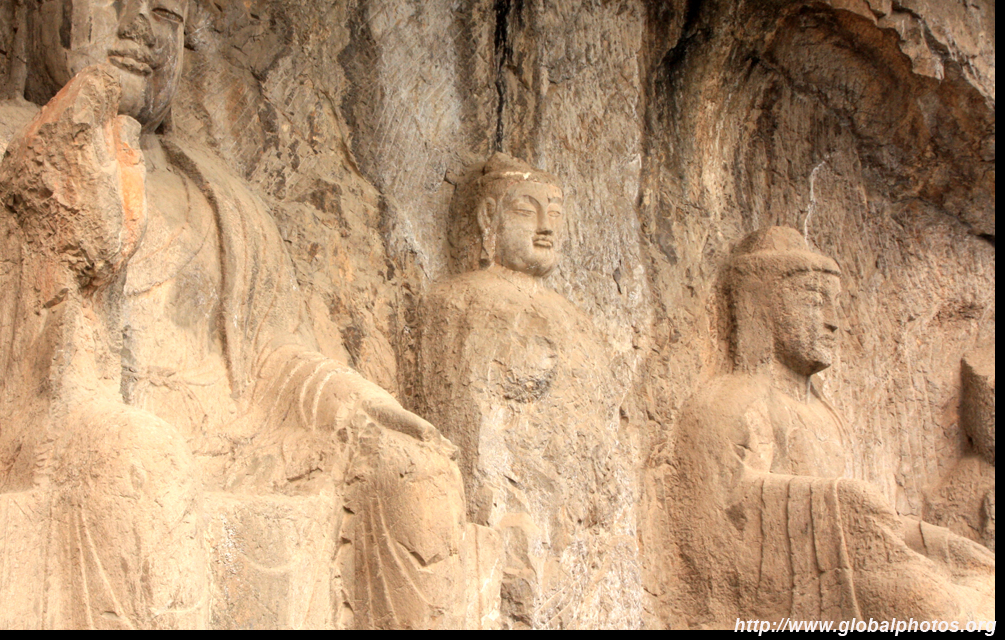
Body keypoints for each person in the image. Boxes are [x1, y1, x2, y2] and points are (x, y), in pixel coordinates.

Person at [0, 0, 492, 629]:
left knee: (414, 472)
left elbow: (270, 354)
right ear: (32, 12)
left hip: (236, 441)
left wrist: (354, 401)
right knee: (143, 466)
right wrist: (52, 182)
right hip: (49, 429)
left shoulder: (219, 195)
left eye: (165, 11)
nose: (139, 29)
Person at [670, 227, 994, 626]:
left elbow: (873, 521)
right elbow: (721, 514)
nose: (832, 323)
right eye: (813, 302)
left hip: (845, 557)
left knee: (982, 573)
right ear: (763, 306)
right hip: (790, 582)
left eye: (834, 305)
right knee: (935, 606)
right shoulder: (733, 401)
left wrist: (940, 542)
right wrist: (841, 499)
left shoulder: (825, 415)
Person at [413, 153, 622, 628]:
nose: (546, 227)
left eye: (556, 214)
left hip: (573, 514)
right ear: (489, 217)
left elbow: (598, 421)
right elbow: (462, 416)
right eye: (528, 211)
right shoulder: (459, 301)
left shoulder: (578, 320)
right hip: (506, 501)